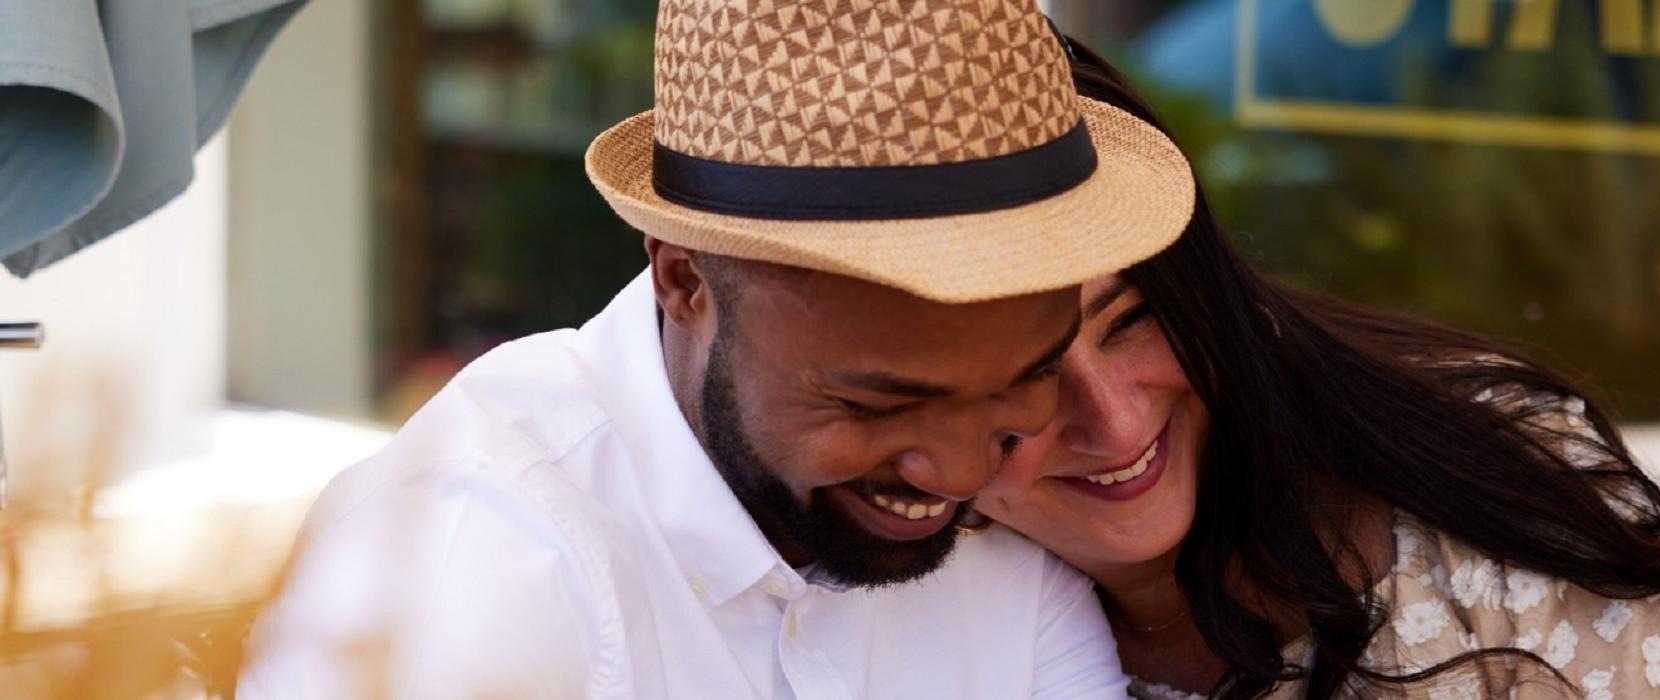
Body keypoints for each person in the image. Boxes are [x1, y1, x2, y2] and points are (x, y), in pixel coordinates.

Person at [236, 2, 1197, 698]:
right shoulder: (472, 568)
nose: (954, 472)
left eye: (1024, 378)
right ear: (684, 279)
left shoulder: (1014, 542)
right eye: (876, 405)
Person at [974, 40, 1660, 699]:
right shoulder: (906, 622)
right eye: (1026, 376)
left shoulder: (1480, 480)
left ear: (1205, 293)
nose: (1113, 420)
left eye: (1134, 321)